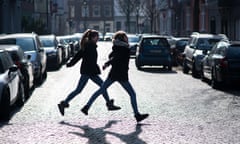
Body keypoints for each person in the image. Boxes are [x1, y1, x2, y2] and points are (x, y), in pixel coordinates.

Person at [81, 31, 149, 122]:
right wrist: (108, 63)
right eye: (125, 37)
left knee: (101, 90)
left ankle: (86, 107)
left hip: (113, 73)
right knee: (132, 94)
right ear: (122, 38)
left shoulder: (117, 47)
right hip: (121, 74)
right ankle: (137, 115)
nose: (127, 38)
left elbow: (112, 56)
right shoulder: (124, 48)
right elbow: (115, 58)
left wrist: (108, 63)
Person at [57, 29, 121, 116]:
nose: (98, 38)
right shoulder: (88, 46)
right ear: (93, 37)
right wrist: (70, 64)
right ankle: (63, 103)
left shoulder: (91, 45)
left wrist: (71, 64)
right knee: (81, 89)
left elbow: (80, 57)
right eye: (97, 37)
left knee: (101, 86)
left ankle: (109, 104)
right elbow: (79, 56)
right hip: (88, 72)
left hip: (90, 71)